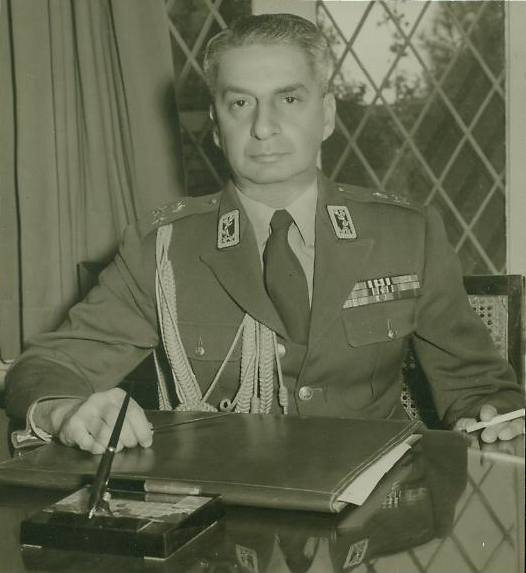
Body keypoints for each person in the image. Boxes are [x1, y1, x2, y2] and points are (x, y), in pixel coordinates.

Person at [4, 14, 524, 454]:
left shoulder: (405, 234)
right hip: (224, 502)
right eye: (240, 103)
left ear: (327, 115)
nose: (263, 126)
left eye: (289, 99)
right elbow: (47, 366)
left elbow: (478, 386)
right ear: (216, 125)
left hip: (374, 507)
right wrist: (63, 411)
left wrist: (494, 416)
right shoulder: (161, 248)